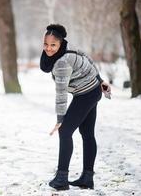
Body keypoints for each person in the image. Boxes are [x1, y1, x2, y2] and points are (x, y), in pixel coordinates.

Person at [40, 24, 111, 190]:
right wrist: (99, 81)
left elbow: (61, 94)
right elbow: (88, 59)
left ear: (60, 43)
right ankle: (87, 178)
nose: (48, 49)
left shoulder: (62, 63)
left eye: (53, 45)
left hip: (87, 93)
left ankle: (61, 179)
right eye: (46, 44)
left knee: (64, 131)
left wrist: (60, 119)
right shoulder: (67, 47)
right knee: (87, 133)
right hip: (91, 90)